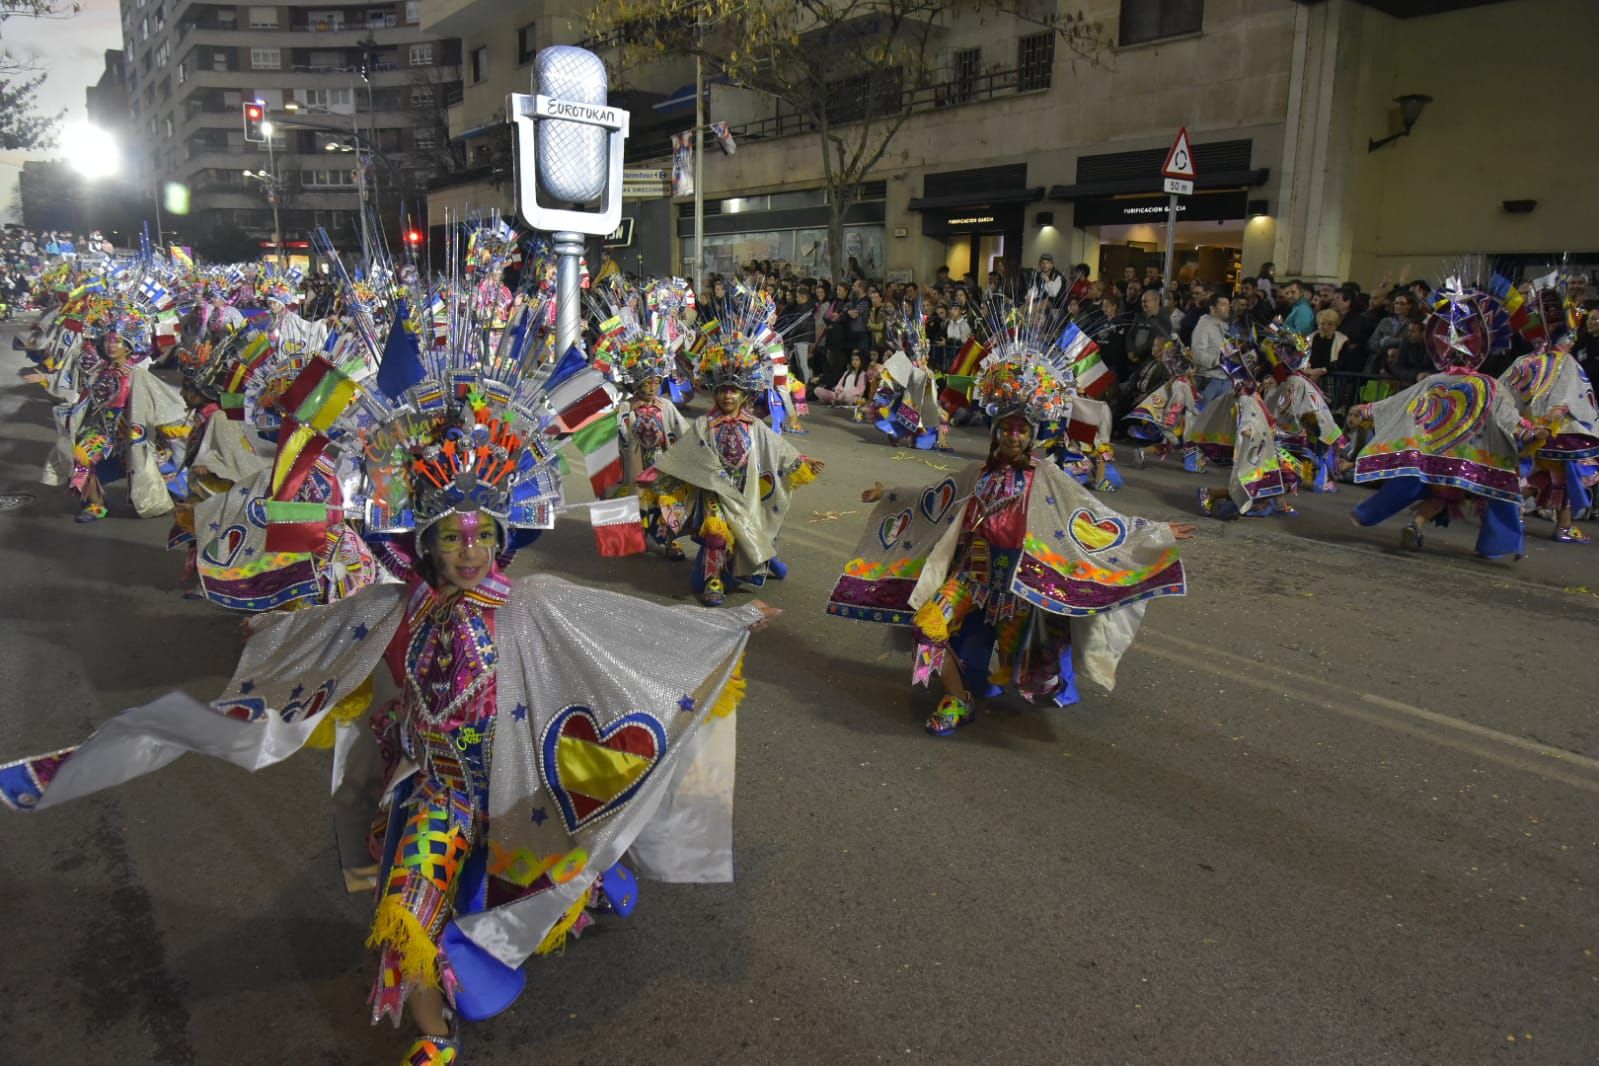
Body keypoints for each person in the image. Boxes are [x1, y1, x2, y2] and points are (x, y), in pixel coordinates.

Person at [827, 328, 1192, 736]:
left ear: (1032, 435)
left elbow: (1091, 516)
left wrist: (1153, 531)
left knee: (1022, 659)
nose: (1013, 436)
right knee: (926, 627)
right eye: (1006, 428)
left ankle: (987, 680)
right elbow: (935, 498)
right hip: (971, 579)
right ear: (996, 431)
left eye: (1021, 430)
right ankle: (958, 699)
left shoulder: (1046, 476)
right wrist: (890, 493)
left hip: (1019, 589)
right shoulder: (977, 473)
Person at [652, 285, 825, 606]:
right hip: (715, 491)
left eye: (734, 391)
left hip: (747, 490)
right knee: (716, 533)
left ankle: (764, 560)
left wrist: (801, 460)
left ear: (744, 395)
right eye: (722, 390)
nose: (728, 396)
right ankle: (713, 581)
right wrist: (658, 476)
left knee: (750, 530)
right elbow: (683, 455)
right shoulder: (706, 425)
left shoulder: (754, 426)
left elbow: (777, 449)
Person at [1348, 281, 1537, 558]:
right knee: (1495, 492)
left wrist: (1367, 411)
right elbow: (1506, 415)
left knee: (1439, 493)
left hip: (1435, 451)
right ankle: (1499, 545)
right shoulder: (1487, 385)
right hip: (1474, 456)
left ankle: (1415, 523)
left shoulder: (1435, 380)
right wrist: (1526, 432)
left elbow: (1401, 401)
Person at [1189, 293, 1233, 405]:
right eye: (1223, 305)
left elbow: (1226, 354)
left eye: (1228, 305)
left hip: (1225, 380)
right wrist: (1219, 360)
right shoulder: (1203, 327)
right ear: (1212, 308)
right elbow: (1196, 355)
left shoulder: (1224, 328)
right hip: (1208, 381)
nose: (1227, 308)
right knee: (1202, 415)